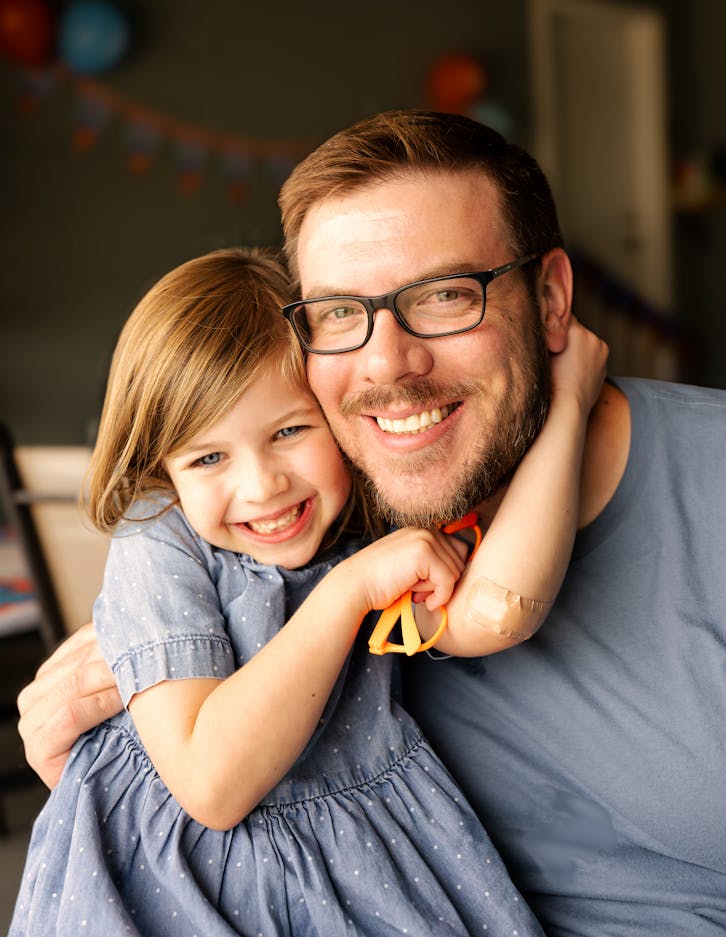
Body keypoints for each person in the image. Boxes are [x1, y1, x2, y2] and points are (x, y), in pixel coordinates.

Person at [18, 109, 726, 936]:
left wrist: (567, 408)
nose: (387, 363)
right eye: (337, 312)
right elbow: (197, 764)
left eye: (444, 295)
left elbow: (499, 606)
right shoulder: (298, 531)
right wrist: (104, 768)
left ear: (550, 302)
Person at [11, 244, 605, 936]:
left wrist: (568, 409)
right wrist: (348, 592)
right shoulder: (162, 537)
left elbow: (500, 611)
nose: (263, 485)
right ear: (162, 466)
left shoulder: (369, 528)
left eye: (291, 430)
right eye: (209, 456)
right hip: (183, 882)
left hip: (360, 862)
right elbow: (212, 783)